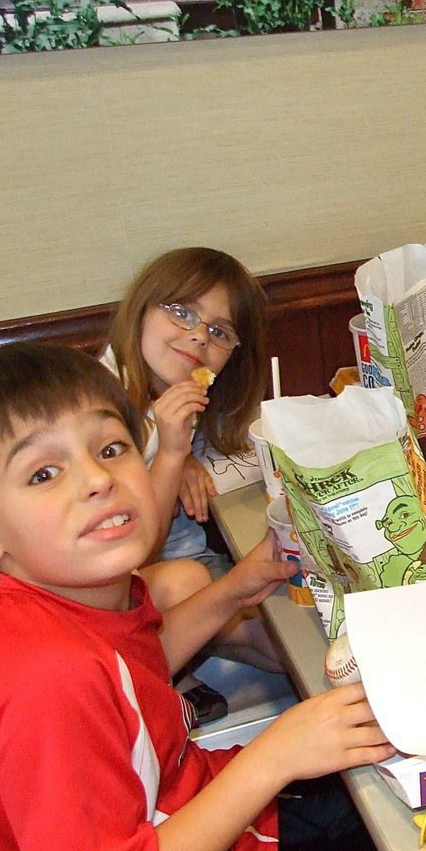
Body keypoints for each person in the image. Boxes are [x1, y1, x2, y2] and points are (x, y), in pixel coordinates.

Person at [0, 342, 416, 851]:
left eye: (111, 448)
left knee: (391, 804)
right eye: (44, 473)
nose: (99, 479)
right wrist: (274, 756)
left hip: (189, 822)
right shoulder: (48, 681)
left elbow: (135, 673)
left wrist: (236, 586)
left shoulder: (72, 596)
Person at [103, 246, 277, 724]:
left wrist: (182, 459)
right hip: (128, 596)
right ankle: (165, 677)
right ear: (142, 307)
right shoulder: (101, 416)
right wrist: (173, 458)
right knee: (270, 630)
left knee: (286, 627)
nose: (197, 336)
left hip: (180, 569)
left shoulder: (167, 390)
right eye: (181, 312)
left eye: (218, 332)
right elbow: (137, 554)